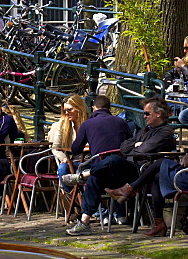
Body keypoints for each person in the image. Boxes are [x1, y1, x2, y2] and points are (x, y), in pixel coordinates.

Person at [111, 101, 188, 237]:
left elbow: (186, 161)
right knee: (156, 176)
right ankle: (158, 222)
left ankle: (129, 190)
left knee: (161, 162)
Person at [65, 98, 176, 236]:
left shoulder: (165, 132)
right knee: (96, 177)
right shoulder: (144, 131)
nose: (144, 116)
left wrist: (136, 147)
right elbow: (123, 147)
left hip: (143, 173)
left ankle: (82, 176)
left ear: (158, 114)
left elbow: (141, 151)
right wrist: (136, 145)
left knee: (113, 159)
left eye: (147, 113)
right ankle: (84, 221)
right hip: (129, 170)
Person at [47, 95, 89, 165]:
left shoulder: (90, 122)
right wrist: (64, 158)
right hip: (71, 160)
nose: (66, 113)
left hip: (89, 160)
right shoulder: (62, 125)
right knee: (63, 167)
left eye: (69, 109)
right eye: (64, 111)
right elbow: (56, 148)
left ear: (79, 108)